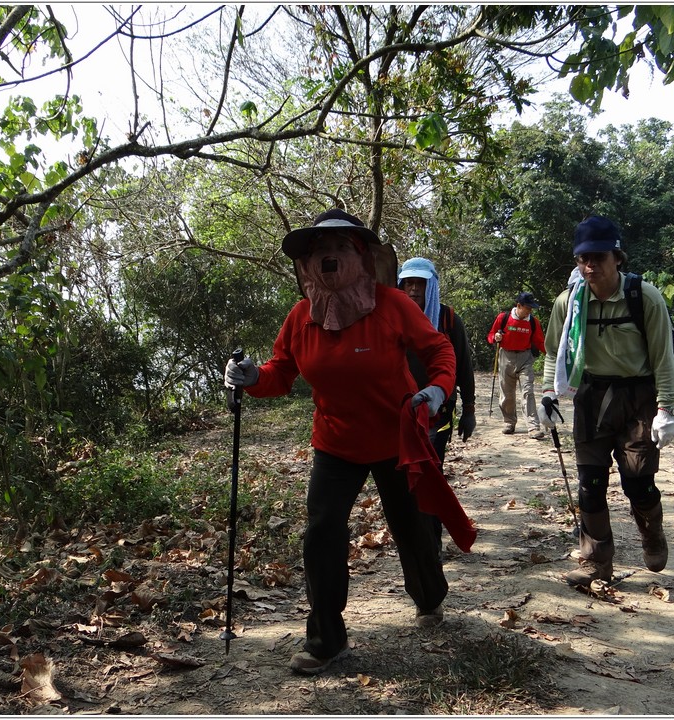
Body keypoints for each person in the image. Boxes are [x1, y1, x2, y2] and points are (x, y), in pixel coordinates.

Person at [224, 209, 475, 676]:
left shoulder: (393, 305)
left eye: (342, 248)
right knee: (321, 532)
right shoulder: (301, 317)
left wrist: (439, 388)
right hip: (335, 441)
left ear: (362, 257)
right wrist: (252, 376)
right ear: (307, 264)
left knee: (413, 527)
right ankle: (325, 640)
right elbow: (282, 371)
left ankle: (428, 597)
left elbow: (438, 349)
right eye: (322, 251)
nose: (331, 258)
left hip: (397, 435)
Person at [538, 215, 674, 587]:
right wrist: (549, 394)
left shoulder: (643, 297)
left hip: (638, 398)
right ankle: (596, 561)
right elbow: (553, 352)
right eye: (582, 259)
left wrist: (666, 408)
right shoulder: (568, 303)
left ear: (617, 257)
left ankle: (652, 533)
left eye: (598, 258)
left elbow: (664, 356)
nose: (589, 267)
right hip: (591, 396)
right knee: (590, 483)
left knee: (638, 483)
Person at [398, 256, 476, 557]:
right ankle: (415, 537)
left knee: (431, 471)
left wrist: (468, 411)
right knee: (406, 477)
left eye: (420, 283)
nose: (414, 290)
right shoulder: (391, 318)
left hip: (437, 414)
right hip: (401, 413)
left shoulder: (448, 320)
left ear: (432, 287)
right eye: (408, 283)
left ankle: (431, 540)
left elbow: (464, 367)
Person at [487, 292, 547, 440]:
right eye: (527, 308)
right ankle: (509, 422)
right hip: (505, 357)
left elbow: (539, 341)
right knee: (507, 394)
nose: (529, 311)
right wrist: (495, 337)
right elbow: (491, 334)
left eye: (531, 308)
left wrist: (551, 355)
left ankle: (533, 426)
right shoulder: (503, 318)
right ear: (518, 305)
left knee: (528, 390)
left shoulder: (533, 322)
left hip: (525, 357)